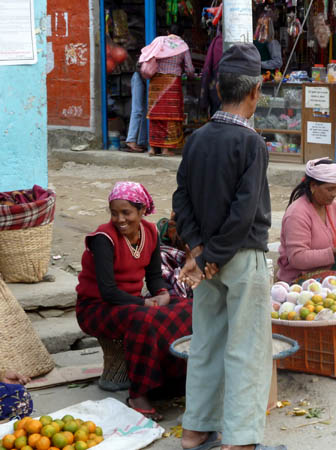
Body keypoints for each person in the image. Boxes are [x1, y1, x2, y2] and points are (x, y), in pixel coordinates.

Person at [173, 43, 285, 450]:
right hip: (239, 259)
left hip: (208, 260)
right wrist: (214, 256)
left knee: (206, 344)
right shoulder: (252, 144)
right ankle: (238, 441)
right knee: (247, 351)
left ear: (220, 89)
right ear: (255, 92)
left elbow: (181, 199)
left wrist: (200, 250)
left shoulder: (198, 139)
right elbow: (243, 213)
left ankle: (195, 430)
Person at [75, 181, 193, 421]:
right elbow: (108, 291)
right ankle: (139, 394)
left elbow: (154, 277)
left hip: (130, 302)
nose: (120, 219)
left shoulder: (150, 232)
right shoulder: (103, 238)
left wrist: (162, 293)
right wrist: (144, 304)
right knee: (143, 319)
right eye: (114, 213)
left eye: (126, 212)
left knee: (187, 307)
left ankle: (173, 383)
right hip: (96, 307)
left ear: (141, 211)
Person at [277, 158, 336, 284]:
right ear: (313, 186)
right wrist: (335, 252)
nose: (334, 194)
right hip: (301, 280)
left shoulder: (335, 207)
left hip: (331, 274)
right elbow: (297, 258)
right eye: (330, 189)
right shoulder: (297, 214)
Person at [139, 24, 195, 156]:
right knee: (170, 117)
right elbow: (190, 69)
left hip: (156, 83)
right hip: (172, 84)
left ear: (168, 32)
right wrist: (192, 76)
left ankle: (152, 148)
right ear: (182, 33)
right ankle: (166, 149)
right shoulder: (183, 45)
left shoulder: (159, 41)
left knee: (155, 115)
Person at [124, 63, 149, 153]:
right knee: (137, 110)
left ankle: (142, 142)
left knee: (146, 111)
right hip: (139, 76)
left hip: (146, 78)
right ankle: (131, 140)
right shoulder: (148, 51)